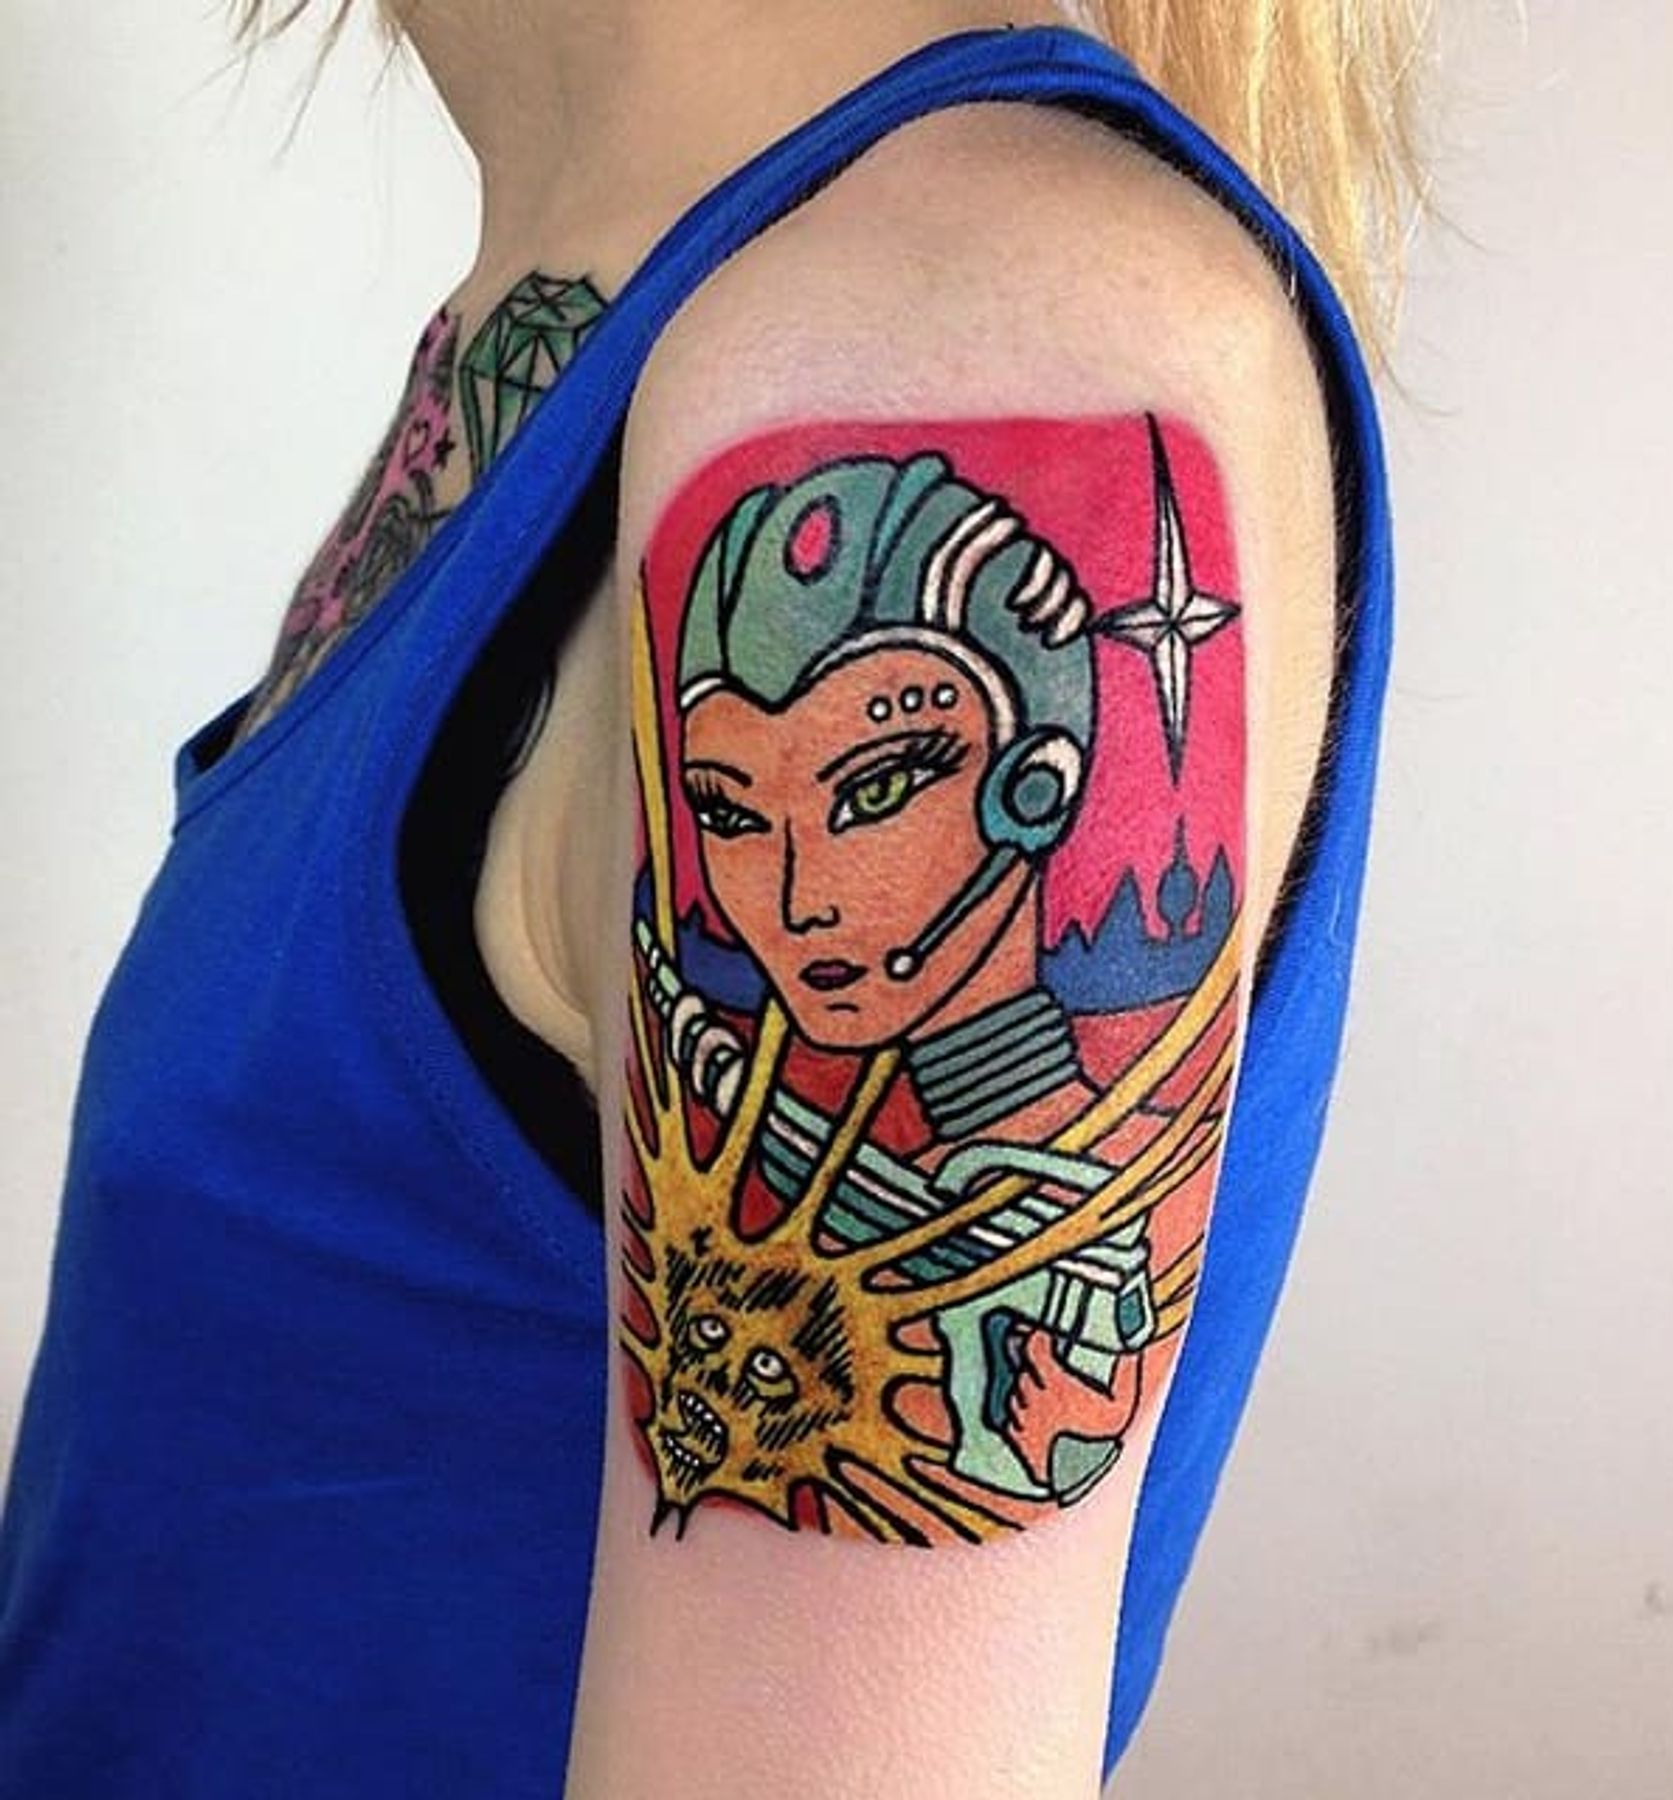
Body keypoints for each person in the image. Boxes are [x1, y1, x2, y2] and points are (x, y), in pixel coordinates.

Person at [0, 1, 1428, 1795]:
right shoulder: (579, 325)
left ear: (1035, 778)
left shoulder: (940, 345)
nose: (796, 893)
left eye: (881, 782)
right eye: (740, 807)